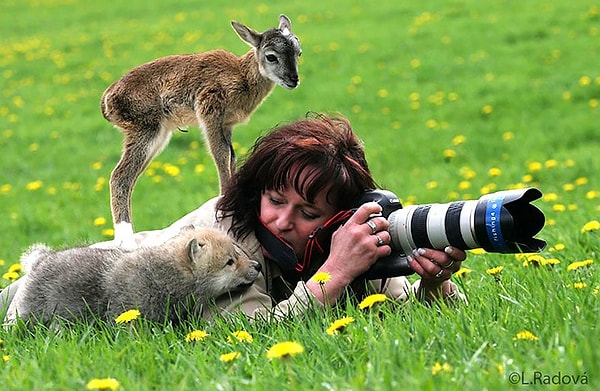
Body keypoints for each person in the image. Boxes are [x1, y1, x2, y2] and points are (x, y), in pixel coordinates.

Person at [0, 115, 466, 323]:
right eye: (275, 199)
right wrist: (335, 274)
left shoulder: (347, 238)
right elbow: (251, 334)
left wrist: (434, 283)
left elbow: (410, 309)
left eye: (307, 212)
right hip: (72, 281)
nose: (282, 221)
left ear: (339, 217)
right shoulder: (223, 242)